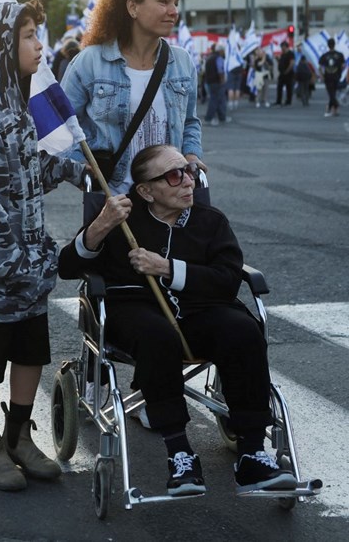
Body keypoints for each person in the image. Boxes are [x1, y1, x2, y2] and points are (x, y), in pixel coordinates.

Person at [58, 144, 297, 496]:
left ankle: (251, 452)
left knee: (243, 329)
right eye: (174, 175)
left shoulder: (210, 221)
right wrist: (99, 226)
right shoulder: (123, 218)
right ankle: (179, 452)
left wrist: (167, 268)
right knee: (158, 336)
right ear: (145, 191)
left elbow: (228, 278)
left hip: (202, 309)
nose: (188, 181)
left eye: (187, 170)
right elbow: (67, 268)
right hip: (136, 310)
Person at [0, 0, 86, 492]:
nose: (39, 45)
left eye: (36, 34)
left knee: (30, 351)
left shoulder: (15, 105)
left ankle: (19, 434)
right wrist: (21, 266)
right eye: (27, 36)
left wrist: (73, 170)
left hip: (25, 265)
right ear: (2, 47)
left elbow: (25, 174)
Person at [60, 0, 204, 195]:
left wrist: (191, 155)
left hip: (170, 198)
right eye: (163, 1)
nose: (173, 11)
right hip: (114, 198)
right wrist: (80, 167)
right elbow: (62, 124)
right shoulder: (91, 62)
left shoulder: (182, 62)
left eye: (176, 3)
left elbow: (190, 121)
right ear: (133, 7)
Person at [318, 38, 346, 117]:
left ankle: (332, 107)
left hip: (327, 76)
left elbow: (320, 67)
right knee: (333, 92)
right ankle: (333, 109)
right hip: (336, 76)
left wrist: (321, 75)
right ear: (334, 44)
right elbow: (343, 65)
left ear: (328, 45)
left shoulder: (325, 55)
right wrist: (340, 72)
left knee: (331, 93)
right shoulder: (340, 55)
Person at [203, 45, 226, 125]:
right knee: (216, 100)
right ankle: (209, 117)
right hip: (217, 82)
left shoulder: (209, 57)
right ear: (221, 51)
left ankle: (221, 117)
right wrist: (222, 81)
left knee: (216, 99)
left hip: (209, 81)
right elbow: (220, 70)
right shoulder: (219, 58)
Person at [274, 41, 295, 107]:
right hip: (282, 73)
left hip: (288, 73)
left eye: (282, 47)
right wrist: (277, 59)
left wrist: (287, 71)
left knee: (289, 88)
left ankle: (288, 101)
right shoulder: (283, 54)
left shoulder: (290, 54)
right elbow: (281, 62)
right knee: (279, 87)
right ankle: (278, 101)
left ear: (285, 47)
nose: (281, 48)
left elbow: (292, 63)